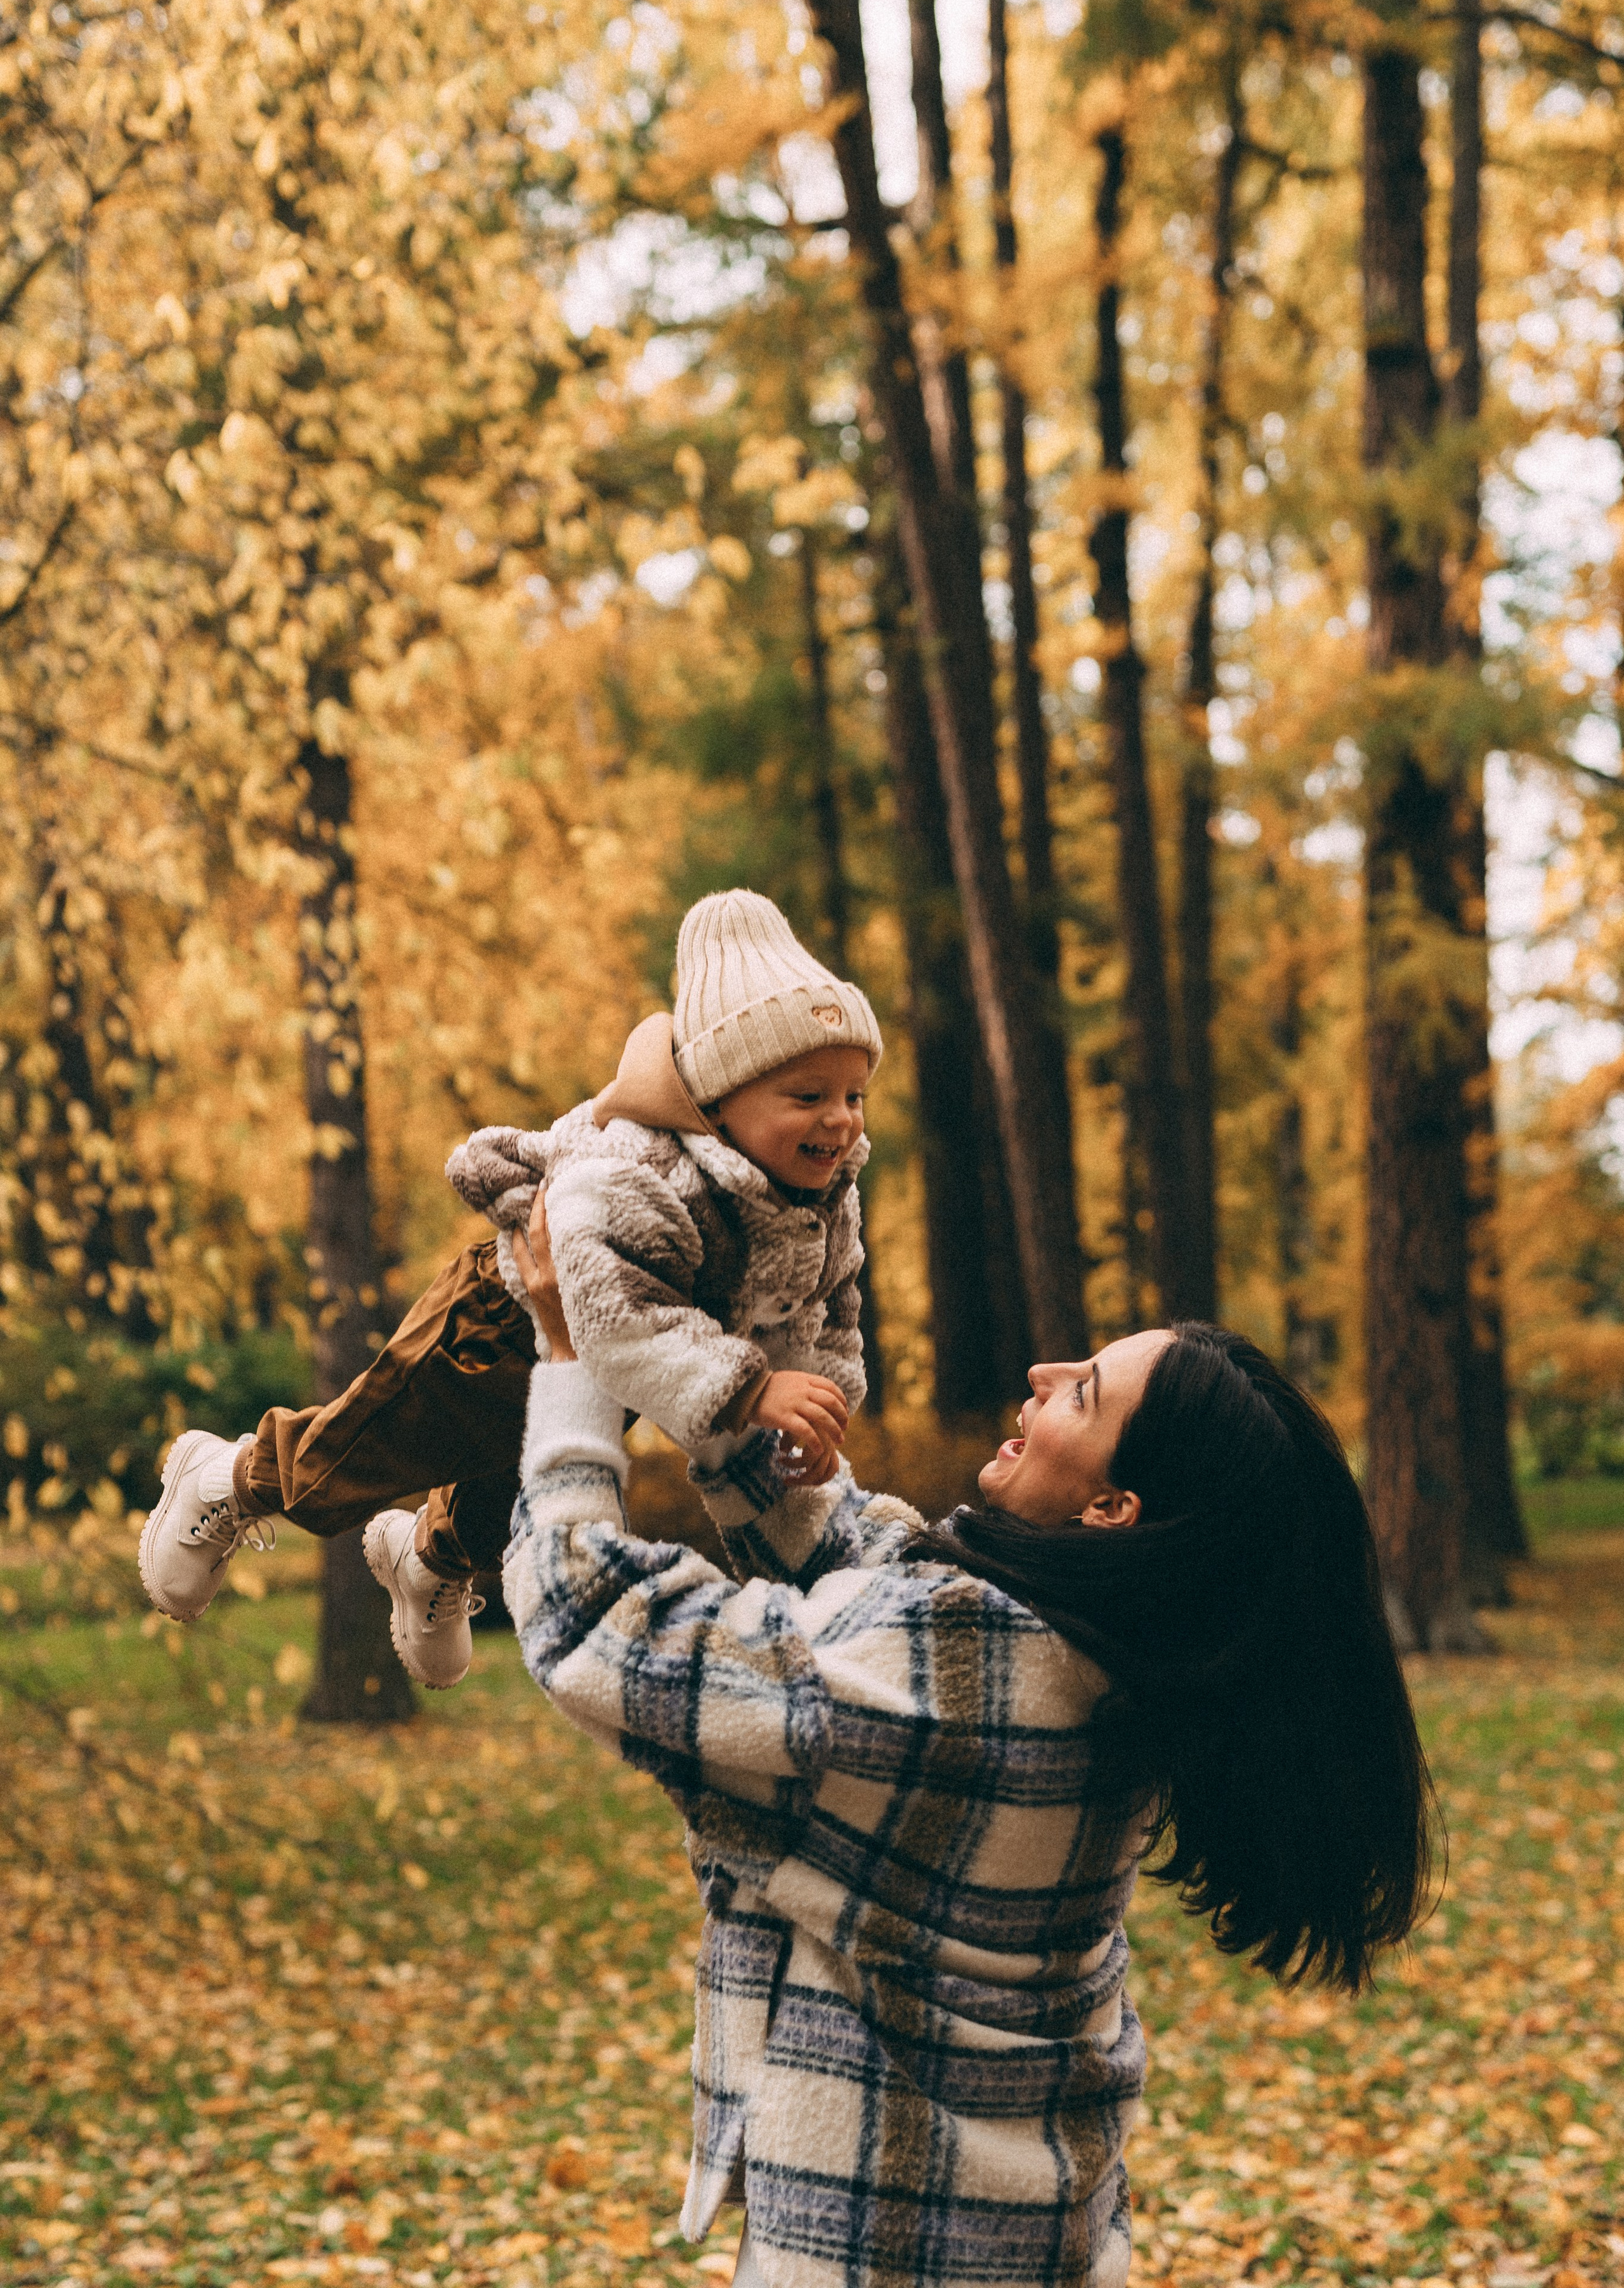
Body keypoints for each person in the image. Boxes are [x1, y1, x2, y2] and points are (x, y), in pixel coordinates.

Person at [504, 1193, 1437, 2288]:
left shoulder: (965, 1667)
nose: (1043, 1376)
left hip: (883, 2246)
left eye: (1079, 1394)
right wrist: (710, 1364)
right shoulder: (1111, 1664)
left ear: (1112, 1509)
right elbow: (846, 1547)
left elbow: (596, 1627)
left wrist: (572, 1352)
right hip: (1030, 2232)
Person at [138, 891, 880, 1685]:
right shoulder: (637, 1165)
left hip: (608, 1376)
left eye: (854, 1096)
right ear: (717, 1100)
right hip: (496, 1321)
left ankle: (424, 1561)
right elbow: (609, 1312)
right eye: (808, 1097)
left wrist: (820, 1398)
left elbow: (827, 1310)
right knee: (365, 1454)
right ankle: (234, 1477)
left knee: (504, 1520)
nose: (840, 1121)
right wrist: (751, 1388)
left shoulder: (821, 1202)